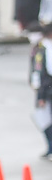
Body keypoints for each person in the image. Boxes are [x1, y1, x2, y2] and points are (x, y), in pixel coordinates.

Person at [31, 24, 52, 160]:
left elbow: (44, 73)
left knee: (47, 120)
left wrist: (41, 95)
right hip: (44, 89)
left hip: (46, 90)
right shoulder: (40, 48)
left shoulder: (44, 49)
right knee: (44, 119)